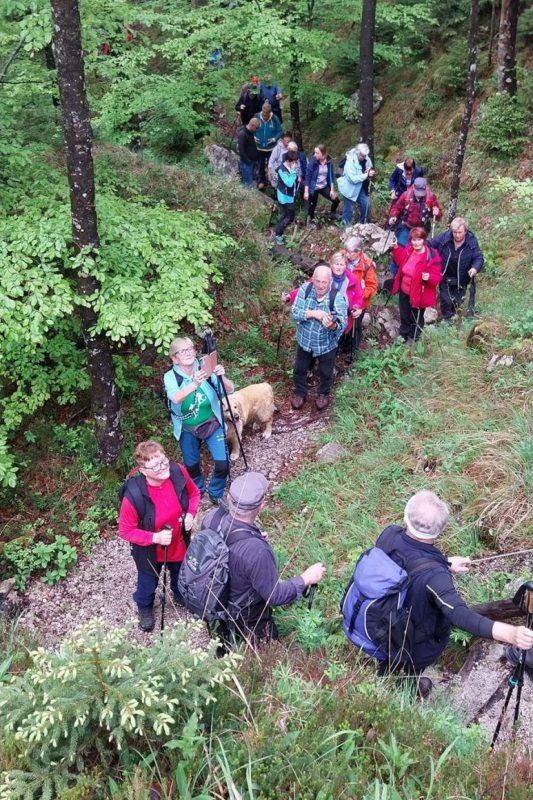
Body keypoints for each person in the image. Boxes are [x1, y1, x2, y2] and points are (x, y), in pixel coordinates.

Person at [372, 490, 533, 680]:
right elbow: (459, 614)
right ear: (439, 531)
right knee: (406, 670)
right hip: (410, 643)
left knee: (386, 662)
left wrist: (445, 562)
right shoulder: (436, 578)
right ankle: (405, 683)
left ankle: (383, 677)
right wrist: (510, 633)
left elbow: (405, 557)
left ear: (405, 519)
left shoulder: (389, 534)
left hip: (378, 619)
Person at [202, 472, 326, 644]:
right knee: (261, 646)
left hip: (214, 602)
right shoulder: (257, 552)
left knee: (223, 645)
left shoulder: (212, 517)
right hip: (245, 616)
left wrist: (253, 535)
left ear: (229, 498)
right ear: (261, 507)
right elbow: (275, 596)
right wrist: (306, 578)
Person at [119, 440, 201, 632]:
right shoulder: (134, 495)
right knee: (147, 583)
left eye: (164, 461)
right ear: (143, 470)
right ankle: (144, 606)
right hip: (149, 551)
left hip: (179, 542)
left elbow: (194, 493)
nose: (163, 467)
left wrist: (190, 514)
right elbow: (125, 531)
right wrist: (155, 538)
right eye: (155, 466)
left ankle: (179, 594)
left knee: (180, 573)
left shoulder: (178, 472)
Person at [164, 337, 234, 504]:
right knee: (191, 465)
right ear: (174, 358)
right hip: (186, 427)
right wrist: (195, 383)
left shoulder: (205, 367)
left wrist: (222, 376)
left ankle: (215, 493)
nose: (188, 353)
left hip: (212, 422)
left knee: (223, 463)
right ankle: (198, 490)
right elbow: (176, 398)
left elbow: (230, 390)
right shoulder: (170, 377)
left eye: (190, 349)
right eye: (182, 351)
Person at [291, 265, 348, 410]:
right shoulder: (305, 289)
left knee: (326, 372)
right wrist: (314, 313)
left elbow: (342, 324)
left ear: (330, 281)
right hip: (305, 340)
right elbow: (294, 313)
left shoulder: (337, 297)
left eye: (324, 282)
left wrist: (332, 325)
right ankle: (300, 392)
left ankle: (323, 393)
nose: (321, 285)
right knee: (299, 369)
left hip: (326, 344)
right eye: (318, 281)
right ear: (313, 280)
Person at [427, 217, 484, 320]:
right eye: (455, 232)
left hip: (462, 278)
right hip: (444, 276)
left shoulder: (471, 241)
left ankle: (454, 320)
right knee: (446, 301)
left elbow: (478, 257)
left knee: (457, 302)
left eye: (460, 232)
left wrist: (475, 268)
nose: (457, 235)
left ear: (465, 231)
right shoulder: (445, 237)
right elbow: (430, 244)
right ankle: (447, 321)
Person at [391, 227, 442, 343]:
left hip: (419, 292)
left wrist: (429, 277)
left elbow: (438, 276)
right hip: (404, 290)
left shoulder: (431, 256)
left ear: (424, 240)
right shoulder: (409, 249)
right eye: (414, 240)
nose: (416, 243)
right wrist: (396, 248)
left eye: (419, 240)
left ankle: (414, 338)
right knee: (404, 314)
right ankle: (403, 335)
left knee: (416, 317)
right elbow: (401, 260)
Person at [342, 236, 379, 351]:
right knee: (342, 322)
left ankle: (352, 349)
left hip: (359, 302)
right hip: (343, 298)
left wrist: (360, 295)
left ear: (358, 252)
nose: (347, 254)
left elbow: (372, 286)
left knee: (355, 326)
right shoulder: (342, 257)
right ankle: (341, 345)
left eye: (350, 252)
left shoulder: (367, 266)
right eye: (346, 251)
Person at [329, 251, 363, 361]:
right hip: (324, 314)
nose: (339, 267)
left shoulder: (351, 279)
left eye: (341, 264)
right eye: (336, 264)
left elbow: (358, 296)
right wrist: (290, 296)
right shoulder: (325, 275)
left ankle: (330, 364)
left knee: (336, 343)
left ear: (345, 266)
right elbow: (307, 287)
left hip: (342, 317)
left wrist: (357, 307)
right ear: (331, 264)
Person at [389, 177, 442, 245]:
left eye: (421, 193)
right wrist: (393, 216)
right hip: (407, 226)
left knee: (419, 248)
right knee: (402, 246)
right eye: (418, 193)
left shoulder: (431, 197)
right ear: (414, 188)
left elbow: (439, 216)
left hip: (422, 229)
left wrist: (437, 213)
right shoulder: (406, 195)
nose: (419, 195)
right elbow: (396, 207)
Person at [337, 142, 376, 227]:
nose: (364, 157)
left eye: (365, 156)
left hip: (359, 187)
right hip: (348, 188)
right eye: (362, 156)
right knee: (348, 210)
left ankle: (362, 226)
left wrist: (369, 170)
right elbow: (353, 179)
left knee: (366, 204)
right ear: (357, 153)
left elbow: (370, 166)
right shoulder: (350, 161)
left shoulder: (366, 157)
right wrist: (366, 175)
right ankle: (345, 228)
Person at [274, 146, 303, 245]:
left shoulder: (289, 167)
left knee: (286, 215)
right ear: (288, 161)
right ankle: (278, 235)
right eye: (294, 162)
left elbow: (293, 179)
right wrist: (294, 172)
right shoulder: (282, 170)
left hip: (290, 196)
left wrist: (297, 178)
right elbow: (289, 183)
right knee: (289, 217)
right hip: (285, 197)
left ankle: (278, 230)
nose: (295, 164)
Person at [304, 144, 340, 223]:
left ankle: (333, 213)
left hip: (324, 186)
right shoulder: (313, 162)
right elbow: (308, 177)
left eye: (317, 153)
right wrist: (306, 192)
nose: (314, 155)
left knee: (336, 200)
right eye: (314, 152)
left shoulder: (329, 162)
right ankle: (310, 220)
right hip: (314, 187)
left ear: (323, 154)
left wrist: (332, 190)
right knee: (312, 205)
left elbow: (331, 176)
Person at [254, 101, 282, 189]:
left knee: (271, 166)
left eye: (266, 113)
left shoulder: (275, 118)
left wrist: (274, 139)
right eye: (263, 113)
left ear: (270, 112)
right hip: (259, 147)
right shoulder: (257, 116)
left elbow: (280, 131)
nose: (264, 115)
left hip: (271, 148)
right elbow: (251, 127)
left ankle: (272, 182)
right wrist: (254, 137)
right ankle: (261, 181)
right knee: (261, 165)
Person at [237, 117, 260, 188]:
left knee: (250, 181)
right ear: (252, 125)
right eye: (256, 128)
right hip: (246, 164)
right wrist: (248, 162)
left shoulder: (250, 133)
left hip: (252, 161)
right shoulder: (243, 134)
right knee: (248, 184)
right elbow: (241, 151)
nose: (257, 130)